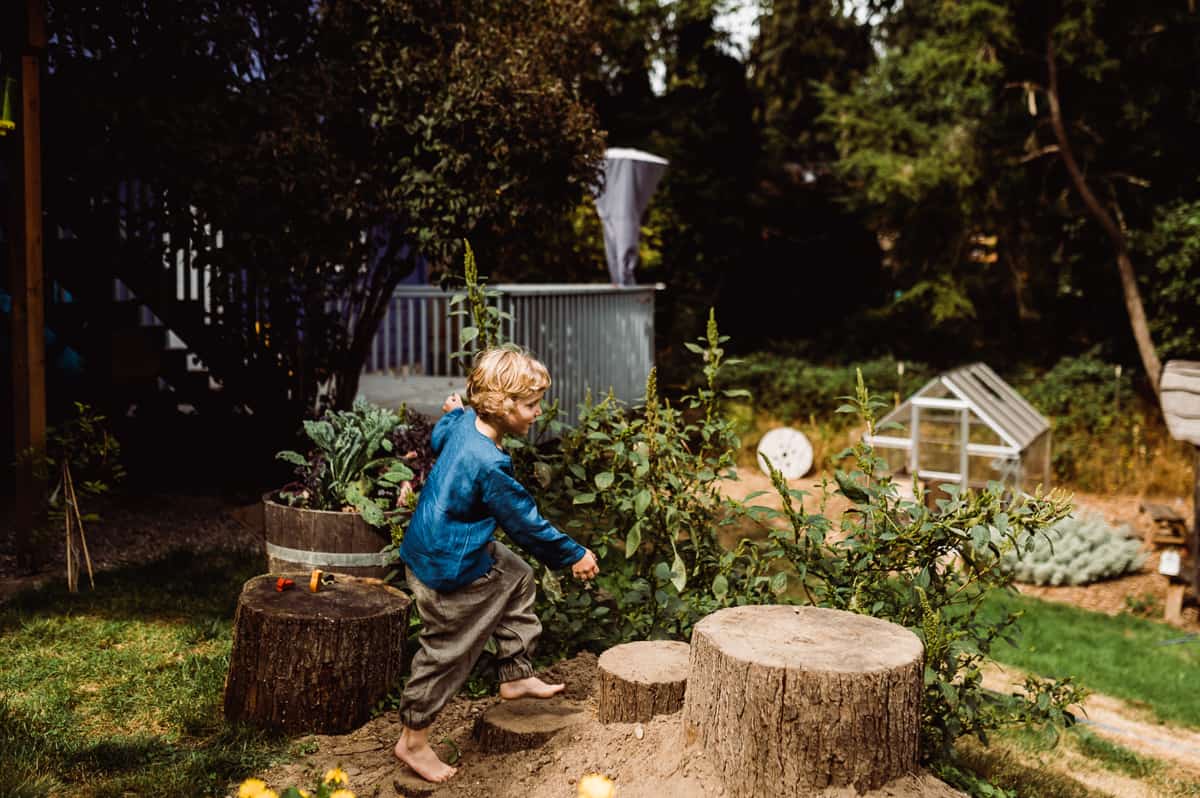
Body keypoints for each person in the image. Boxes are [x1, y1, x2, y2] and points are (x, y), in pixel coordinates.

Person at [393, 346, 600, 783]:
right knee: (446, 652)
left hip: (440, 545)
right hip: (448, 568)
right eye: (530, 405)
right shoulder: (490, 465)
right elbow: (526, 524)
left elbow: (442, 431)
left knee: (516, 574)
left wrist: (452, 412)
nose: (537, 413)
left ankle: (515, 674)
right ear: (501, 406)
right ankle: (412, 741)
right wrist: (574, 555)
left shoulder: (466, 424)